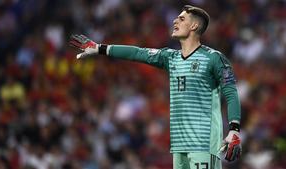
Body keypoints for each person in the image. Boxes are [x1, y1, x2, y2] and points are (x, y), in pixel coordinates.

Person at [69, 5, 241, 169]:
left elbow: (231, 92)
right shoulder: (170, 57)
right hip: (179, 143)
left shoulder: (214, 58)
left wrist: (234, 130)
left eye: (181, 19)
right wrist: (99, 48)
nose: (175, 21)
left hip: (203, 141)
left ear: (194, 25)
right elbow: (137, 53)